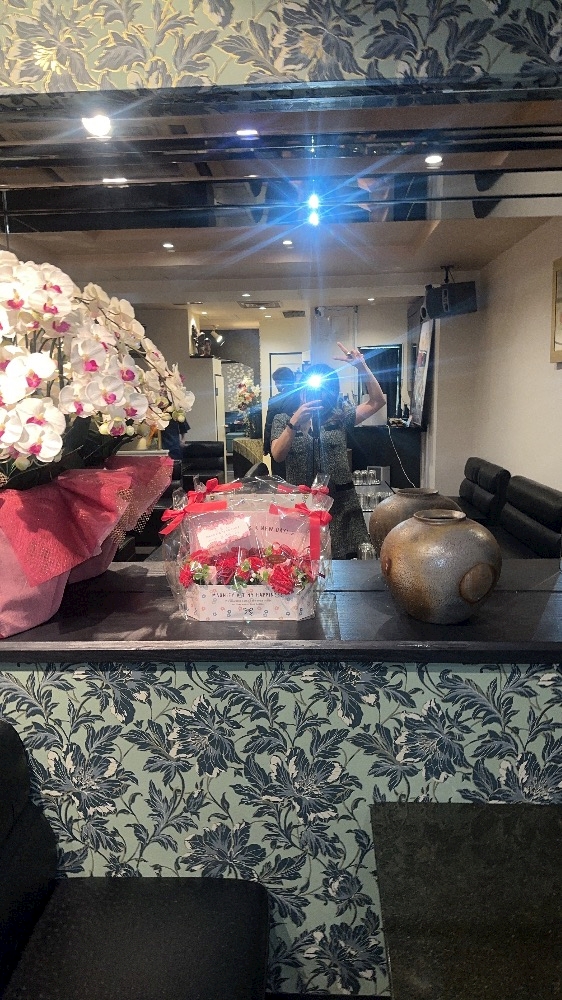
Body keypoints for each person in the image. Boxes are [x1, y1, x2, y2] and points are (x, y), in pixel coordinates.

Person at [270, 343, 386, 559]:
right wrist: (294, 424)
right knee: (302, 562)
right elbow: (277, 454)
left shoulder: (340, 417)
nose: (320, 394)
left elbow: (377, 401)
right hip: (300, 506)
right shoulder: (283, 419)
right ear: (302, 388)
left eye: (327, 389)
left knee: (344, 565)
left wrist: (362, 367)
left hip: (340, 504)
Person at [263, 367, 300, 477]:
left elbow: (269, 425)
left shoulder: (275, 400)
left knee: (280, 478)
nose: (276, 385)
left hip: (280, 442)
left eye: (276, 382)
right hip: (300, 442)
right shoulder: (301, 395)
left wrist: (266, 447)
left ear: (281, 382)